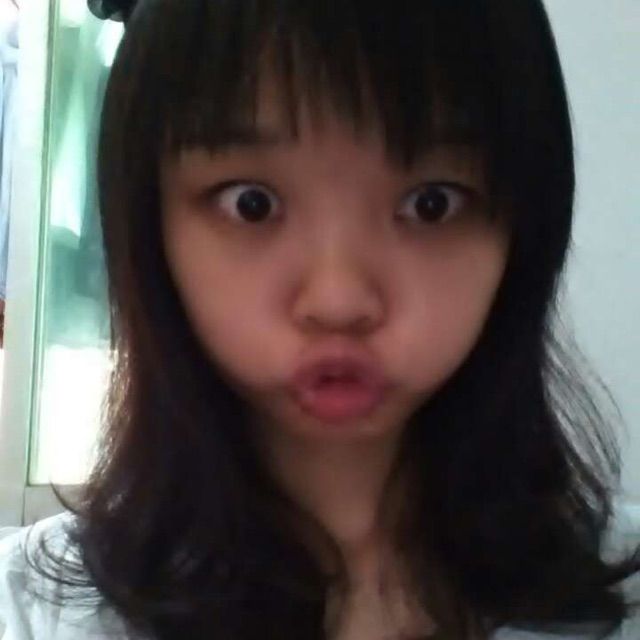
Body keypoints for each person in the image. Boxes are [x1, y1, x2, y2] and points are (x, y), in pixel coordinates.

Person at [1, 0, 639, 638]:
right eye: (252, 204)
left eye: (431, 204)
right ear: (150, 223)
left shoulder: (617, 591)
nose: (339, 302)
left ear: (523, 229)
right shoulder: (31, 613)